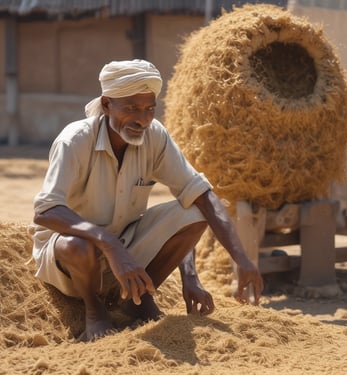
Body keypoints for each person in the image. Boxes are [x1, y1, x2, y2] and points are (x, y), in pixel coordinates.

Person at [32, 59, 263, 341]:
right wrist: (108, 242)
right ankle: (96, 311)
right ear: (106, 105)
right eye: (131, 108)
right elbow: (46, 211)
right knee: (79, 245)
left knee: (195, 212)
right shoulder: (75, 140)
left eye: (149, 108)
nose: (142, 119)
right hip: (71, 259)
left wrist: (238, 261)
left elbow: (200, 197)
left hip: (124, 246)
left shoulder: (155, 136)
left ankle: (135, 300)